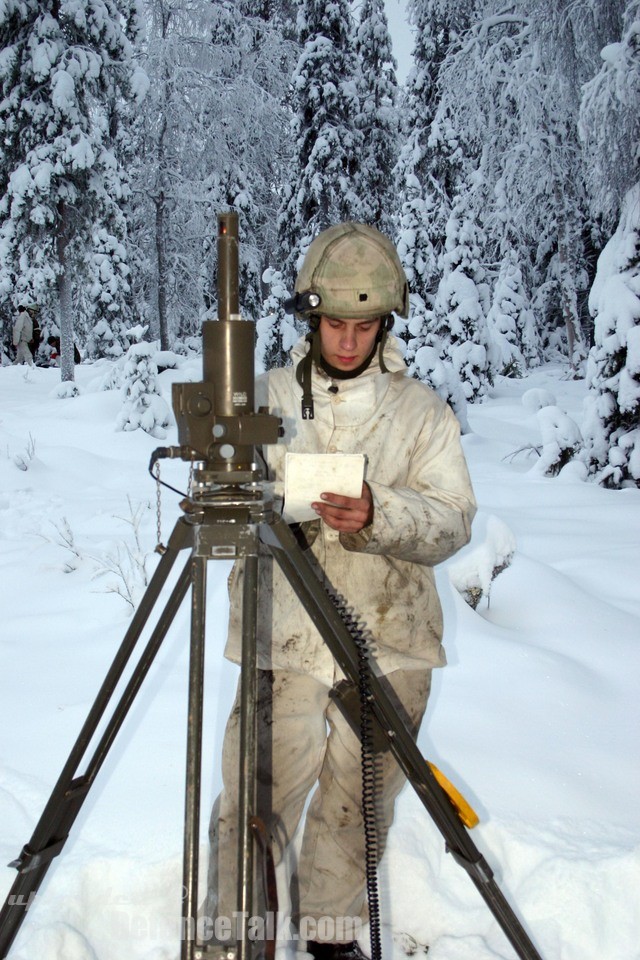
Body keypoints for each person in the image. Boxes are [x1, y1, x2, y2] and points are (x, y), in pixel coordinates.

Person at [206, 223, 477, 959]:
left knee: (358, 810)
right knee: (251, 805)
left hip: (389, 639)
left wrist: (377, 512)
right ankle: (235, 940)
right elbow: (226, 492)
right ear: (311, 316)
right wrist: (269, 492)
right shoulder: (260, 398)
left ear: (384, 322)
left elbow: (454, 519)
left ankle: (329, 940)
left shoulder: (421, 412)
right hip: (283, 632)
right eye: (334, 324)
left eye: (364, 326)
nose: (348, 342)